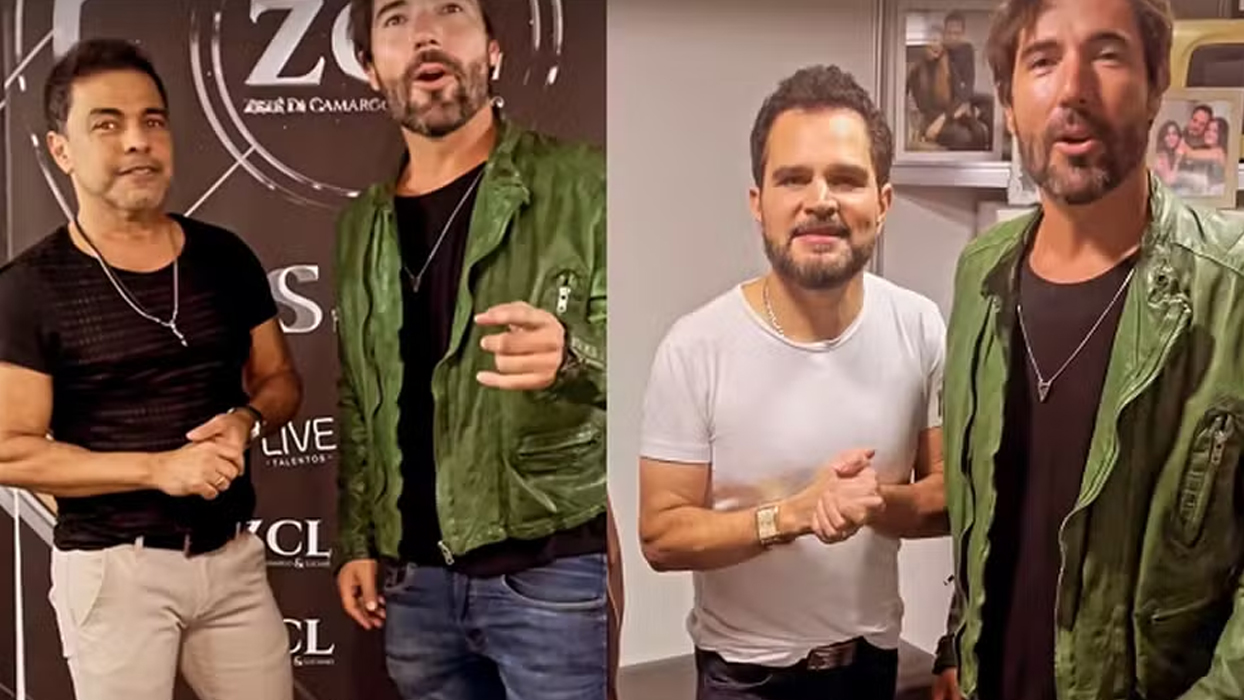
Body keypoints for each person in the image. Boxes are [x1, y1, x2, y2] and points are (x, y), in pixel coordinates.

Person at [934, 1, 1244, 699]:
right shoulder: (980, 275)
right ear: (1008, 101)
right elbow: (985, 507)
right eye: (1042, 60)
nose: (1073, 88)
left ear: (1156, 83)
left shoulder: (1232, 291)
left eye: (1106, 54)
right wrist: (955, 640)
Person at [0, 38, 302, 700]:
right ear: (61, 150)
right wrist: (159, 469)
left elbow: (279, 380)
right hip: (115, 570)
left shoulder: (224, 257)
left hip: (232, 562)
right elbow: (9, 451)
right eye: (107, 124)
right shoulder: (31, 287)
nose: (137, 140)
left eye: (152, 120)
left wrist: (246, 421)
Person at [638, 64, 948, 700]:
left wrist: (871, 503)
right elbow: (662, 536)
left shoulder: (919, 326)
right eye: (793, 178)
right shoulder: (696, 347)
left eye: (846, 179)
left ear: (883, 202)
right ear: (759, 203)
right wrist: (793, 515)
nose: (821, 200)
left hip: (872, 667)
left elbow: (949, 497)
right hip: (743, 678)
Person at [332, 2, 609, 699]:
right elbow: (358, 396)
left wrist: (575, 353)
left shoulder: (587, 184)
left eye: (451, 11)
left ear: (493, 50)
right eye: (396, 19)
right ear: (369, 68)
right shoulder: (361, 224)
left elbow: (656, 361)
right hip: (414, 586)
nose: (426, 34)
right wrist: (357, 540)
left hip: (550, 572)